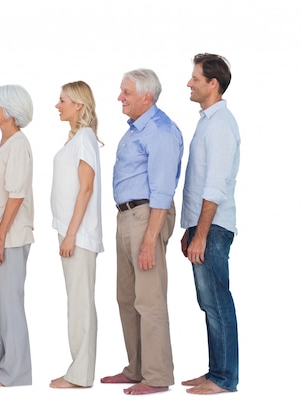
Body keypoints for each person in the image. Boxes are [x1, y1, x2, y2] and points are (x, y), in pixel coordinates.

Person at [101, 69, 183, 395]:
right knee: (127, 298)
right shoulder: (136, 130)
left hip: (147, 216)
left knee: (149, 300)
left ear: (146, 97)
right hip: (127, 217)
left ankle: (157, 376)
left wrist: (150, 239)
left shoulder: (160, 131)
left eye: (126, 92)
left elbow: (163, 190)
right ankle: (136, 368)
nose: (120, 97)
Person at [180, 53, 240, 395]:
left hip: (213, 228)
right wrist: (190, 229)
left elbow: (214, 186)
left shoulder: (220, 124)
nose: (189, 83)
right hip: (203, 227)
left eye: (195, 78)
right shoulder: (207, 121)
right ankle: (215, 371)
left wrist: (200, 233)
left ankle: (224, 377)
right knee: (209, 302)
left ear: (212, 83)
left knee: (217, 300)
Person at [49, 81, 103, 389]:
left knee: (80, 303)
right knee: (76, 302)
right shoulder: (77, 139)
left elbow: (86, 188)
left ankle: (80, 375)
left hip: (78, 236)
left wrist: (70, 235)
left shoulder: (84, 137)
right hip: (72, 233)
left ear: (79, 105)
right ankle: (77, 370)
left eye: (63, 100)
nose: (58, 105)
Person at [0, 84, 34, 387]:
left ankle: (15, 373)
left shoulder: (18, 144)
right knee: (4, 304)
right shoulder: (7, 143)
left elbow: (16, 195)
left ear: (10, 110)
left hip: (11, 239)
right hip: (3, 238)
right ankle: (5, 366)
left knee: (10, 303)